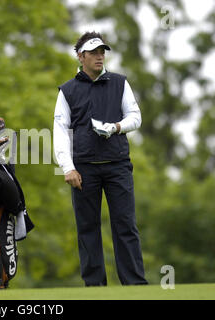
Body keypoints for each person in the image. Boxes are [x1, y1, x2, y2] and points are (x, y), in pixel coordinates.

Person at [53, 32, 148, 286]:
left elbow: (135, 117)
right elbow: (60, 132)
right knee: (88, 230)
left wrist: (116, 127)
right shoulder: (67, 90)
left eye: (102, 51)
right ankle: (95, 288)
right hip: (83, 170)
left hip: (117, 166)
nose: (99, 56)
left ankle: (135, 285)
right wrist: (68, 168)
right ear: (80, 56)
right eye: (93, 52)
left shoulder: (119, 82)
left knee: (125, 226)